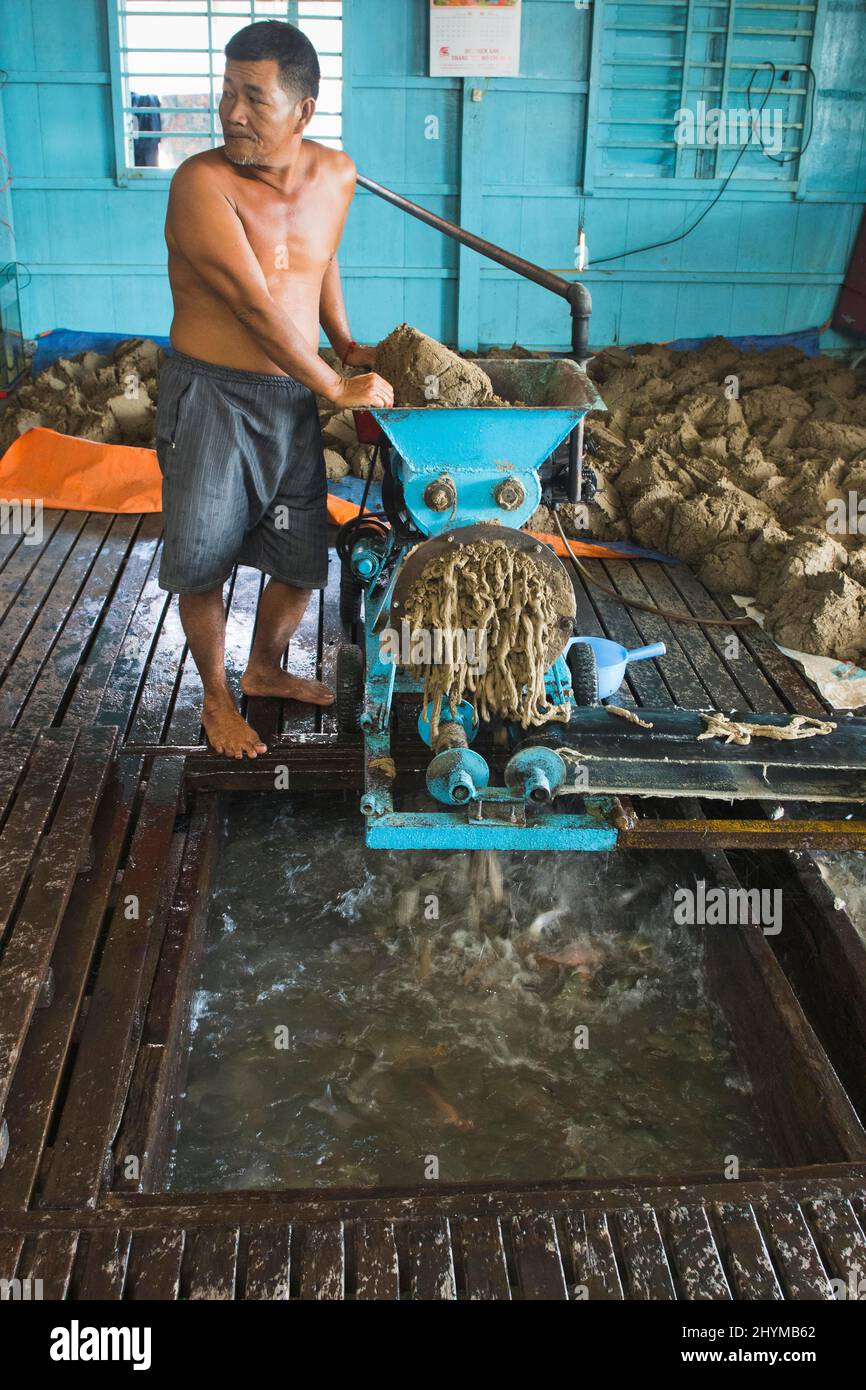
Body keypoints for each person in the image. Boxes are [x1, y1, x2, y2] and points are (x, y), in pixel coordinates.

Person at [157, 19, 393, 758]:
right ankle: (217, 701)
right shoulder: (201, 184)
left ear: (303, 110)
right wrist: (333, 382)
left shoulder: (337, 174)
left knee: (299, 559)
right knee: (203, 559)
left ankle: (263, 668)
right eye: (227, 93)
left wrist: (344, 338)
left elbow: (319, 259)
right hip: (213, 399)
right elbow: (255, 305)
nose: (230, 112)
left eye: (253, 98)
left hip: (289, 399)